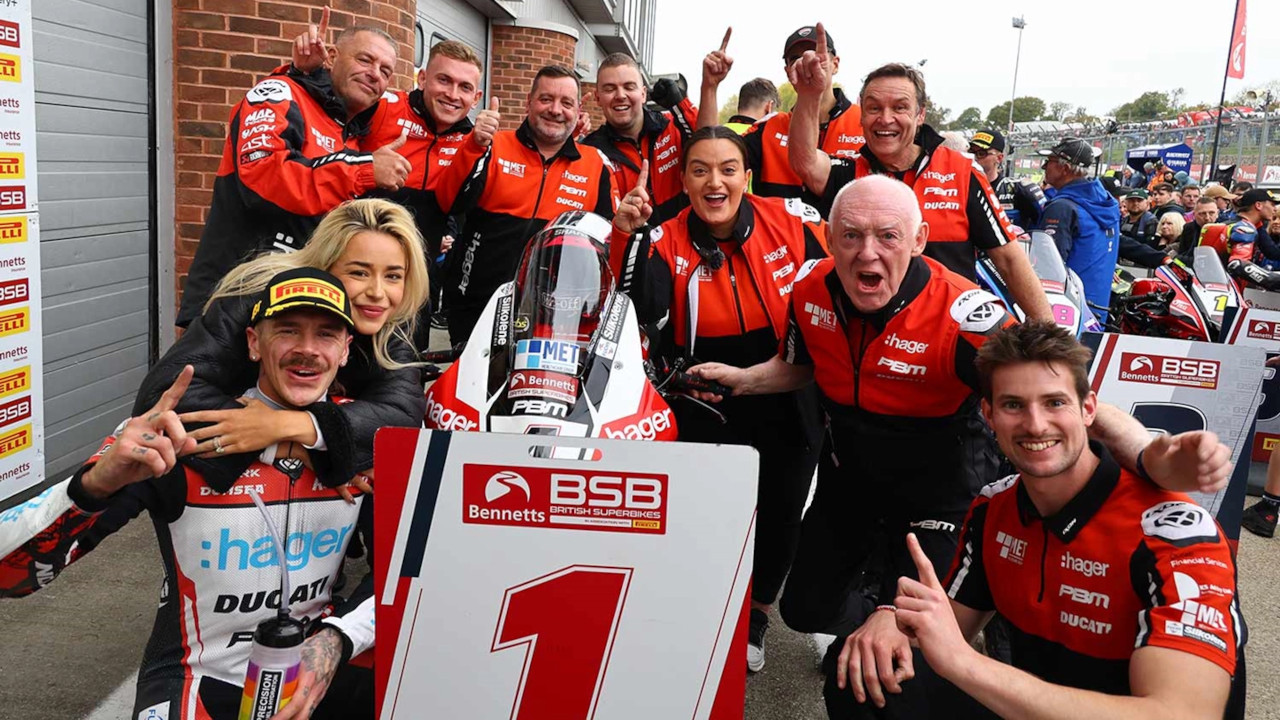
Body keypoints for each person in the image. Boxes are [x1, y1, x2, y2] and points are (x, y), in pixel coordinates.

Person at [684, 176, 1232, 719]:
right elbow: (798, 366)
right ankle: (878, 619)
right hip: (851, 473)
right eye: (850, 235)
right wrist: (742, 379)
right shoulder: (809, 289)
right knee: (804, 609)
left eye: (887, 236)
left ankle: (903, 629)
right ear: (829, 238)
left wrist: (1149, 451)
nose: (867, 252)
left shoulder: (963, 312)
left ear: (919, 239)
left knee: (882, 669)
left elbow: (1053, 391)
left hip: (938, 486)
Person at [1, 269, 380, 719]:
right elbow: (9, 575)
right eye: (288, 330)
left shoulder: (361, 445)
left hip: (316, 665)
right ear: (254, 343)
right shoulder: (180, 431)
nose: (308, 349)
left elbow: (406, 575)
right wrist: (95, 484)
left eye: (326, 334)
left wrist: (339, 637)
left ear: (345, 350)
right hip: (198, 674)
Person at [888, 320, 1243, 720]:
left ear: (1089, 409)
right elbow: (945, 629)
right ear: (988, 414)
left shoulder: (1175, 535)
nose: (1036, 425)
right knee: (868, 678)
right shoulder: (993, 507)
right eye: (1013, 405)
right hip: (1029, 705)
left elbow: (1183, 714)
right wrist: (891, 621)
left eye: (1055, 402)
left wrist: (964, 663)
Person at [612, 126, 827, 673]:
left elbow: (840, 279)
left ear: (747, 177)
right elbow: (632, 311)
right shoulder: (661, 236)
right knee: (705, 510)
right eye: (700, 170)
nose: (715, 182)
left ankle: (756, 616)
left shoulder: (792, 221)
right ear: (683, 181)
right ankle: (701, 606)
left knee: (781, 510)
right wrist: (624, 237)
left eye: (728, 169)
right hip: (703, 388)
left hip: (785, 383)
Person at [137, 199, 429, 492]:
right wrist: (295, 449)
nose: (377, 292)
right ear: (324, 266)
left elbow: (402, 419)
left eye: (393, 276)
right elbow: (163, 396)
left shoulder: (389, 323)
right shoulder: (256, 296)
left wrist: (284, 426)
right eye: (359, 273)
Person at [788, 55, 1053, 322]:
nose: (886, 118)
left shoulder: (961, 171)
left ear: (920, 115)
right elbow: (805, 162)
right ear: (862, 115)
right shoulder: (849, 173)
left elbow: (1008, 259)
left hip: (947, 336)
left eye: (900, 107)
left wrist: (1049, 333)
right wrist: (810, 96)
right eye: (874, 108)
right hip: (866, 337)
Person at [178, 26, 411, 328]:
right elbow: (263, 180)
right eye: (365, 60)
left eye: (385, 71)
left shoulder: (352, 133)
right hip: (232, 298)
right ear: (331, 57)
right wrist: (364, 168)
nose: (374, 74)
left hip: (294, 307)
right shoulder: (280, 93)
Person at [432, 65, 619, 345]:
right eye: (546, 99)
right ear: (528, 102)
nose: (555, 110)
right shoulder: (493, 145)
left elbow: (610, 246)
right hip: (477, 310)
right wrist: (473, 147)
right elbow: (449, 201)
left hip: (556, 321)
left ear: (578, 110)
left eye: (566, 103)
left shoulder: (596, 164)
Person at [700, 23, 864, 204]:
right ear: (787, 71)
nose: (805, 62)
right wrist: (709, 87)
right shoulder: (768, 129)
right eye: (795, 58)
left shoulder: (866, 124)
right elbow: (709, 153)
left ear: (835, 64)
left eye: (815, 54)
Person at [581, 52, 698, 235]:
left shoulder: (673, 125)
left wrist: (684, 104)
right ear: (597, 98)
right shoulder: (590, 151)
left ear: (643, 94)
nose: (620, 95)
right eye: (610, 89)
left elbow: (711, 144)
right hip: (633, 249)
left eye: (629, 87)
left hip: (688, 244)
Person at [1037, 138, 1120, 322]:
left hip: (1065, 314)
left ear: (1065, 168)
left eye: (1049, 161)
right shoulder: (1107, 202)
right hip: (1097, 312)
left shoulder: (1062, 207)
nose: (1044, 167)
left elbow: (1047, 268)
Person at [968, 129, 1045, 230]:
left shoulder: (1019, 189)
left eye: (981, 153)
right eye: (971, 153)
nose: (974, 158)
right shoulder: (959, 188)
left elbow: (1044, 225)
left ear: (999, 158)